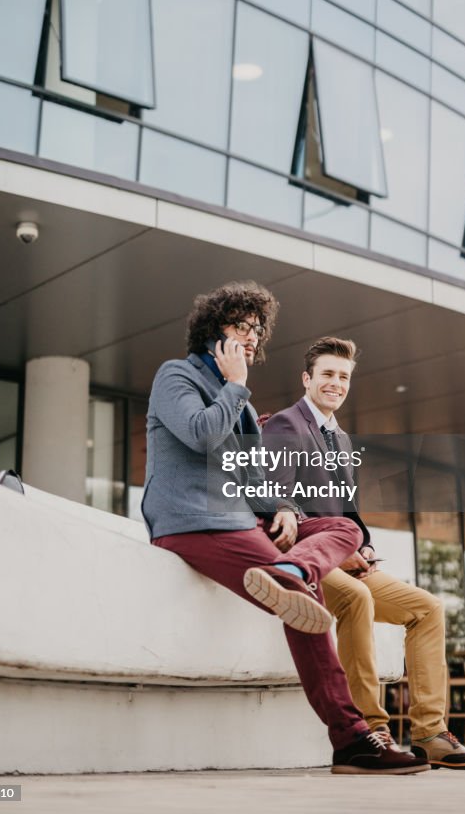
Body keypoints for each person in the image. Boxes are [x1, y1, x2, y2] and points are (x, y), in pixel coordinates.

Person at [142, 283, 428, 775]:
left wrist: (281, 508)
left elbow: (254, 477)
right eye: (240, 326)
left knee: (343, 528)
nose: (251, 338)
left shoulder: (246, 407)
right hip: (193, 520)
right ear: (213, 331)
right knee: (309, 605)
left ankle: (292, 567)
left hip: (238, 518)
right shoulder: (177, 376)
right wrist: (234, 384)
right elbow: (201, 435)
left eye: (257, 330)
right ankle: (352, 738)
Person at [263, 336, 465, 770]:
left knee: (427, 608)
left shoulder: (343, 440)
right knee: (357, 599)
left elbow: (348, 511)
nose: (336, 383)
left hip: (348, 558)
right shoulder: (284, 425)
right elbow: (277, 501)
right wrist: (334, 547)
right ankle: (371, 730)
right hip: (307, 557)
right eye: (328, 374)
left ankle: (430, 733)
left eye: (343, 376)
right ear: (306, 378)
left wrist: (364, 545)